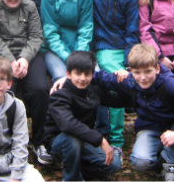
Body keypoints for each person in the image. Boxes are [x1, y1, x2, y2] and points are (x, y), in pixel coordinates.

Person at [90, 44, 174, 181]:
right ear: (131, 71)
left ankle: (171, 165)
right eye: (137, 72)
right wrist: (71, 78)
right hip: (150, 127)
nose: (143, 77)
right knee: (140, 161)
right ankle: (164, 157)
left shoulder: (167, 82)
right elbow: (101, 77)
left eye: (148, 71)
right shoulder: (130, 80)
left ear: (157, 68)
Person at [0, 0, 52, 165]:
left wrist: (24, 58)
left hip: (29, 54)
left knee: (39, 89)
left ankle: (39, 142)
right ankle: (10, 143)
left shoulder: (29, 7)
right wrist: (11, 61)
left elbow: (37, 36)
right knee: (5, 92)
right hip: (3, 56)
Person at [85, 0, 139, 150]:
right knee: (112, 81)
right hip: (103, 48)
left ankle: (116, 137)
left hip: (122, 49)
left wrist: (128, 62)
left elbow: (132, 32)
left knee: (118, 81)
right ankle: (103, 131)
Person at [42, 51, 123, 181]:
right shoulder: (60, 94)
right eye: (78, 73)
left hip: (84, 139)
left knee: (114, 165)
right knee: (72, 138)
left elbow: (116, 100)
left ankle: (82, 170)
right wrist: (100, 140)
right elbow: (67, 124)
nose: (82, 78)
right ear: (68, 74)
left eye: (87, 74)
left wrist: (123, 79)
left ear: (92, 74)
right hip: (60, 141)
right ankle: (72, 178)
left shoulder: (92, 89)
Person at [41, 0, 94, 82]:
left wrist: (79, 54)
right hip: (54, 50)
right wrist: (67, 57)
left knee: (92, 74)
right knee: (63, 77)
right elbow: (50, 32)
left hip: (80, 48)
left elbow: (86, 28)